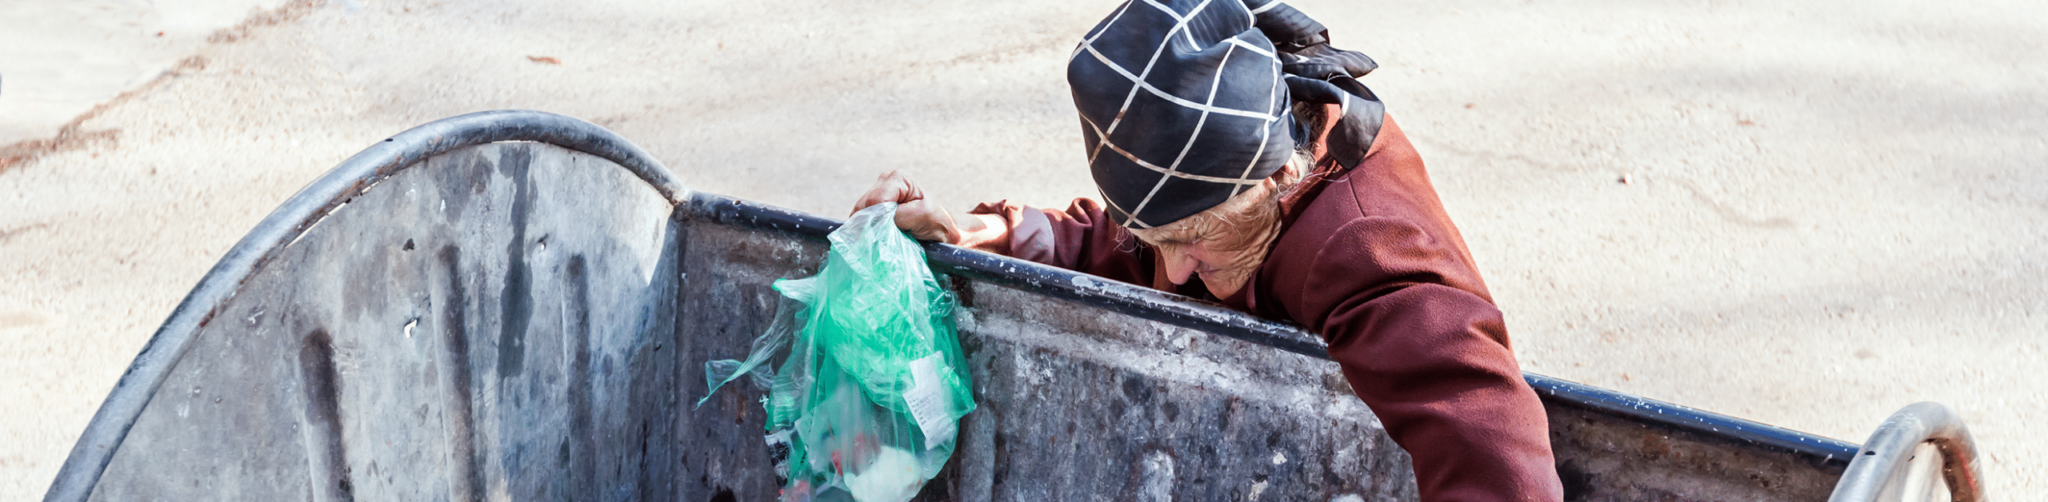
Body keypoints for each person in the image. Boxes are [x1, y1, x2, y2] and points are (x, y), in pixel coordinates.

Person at [853, 1, 1564, 500]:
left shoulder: (1366, 252)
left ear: (1283, 176)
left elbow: (1491, 441)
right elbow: (1141, 242)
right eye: (1157, 238)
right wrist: (992, 236)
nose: (1171, 274)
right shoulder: (1227, 197)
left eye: (1190, 240)